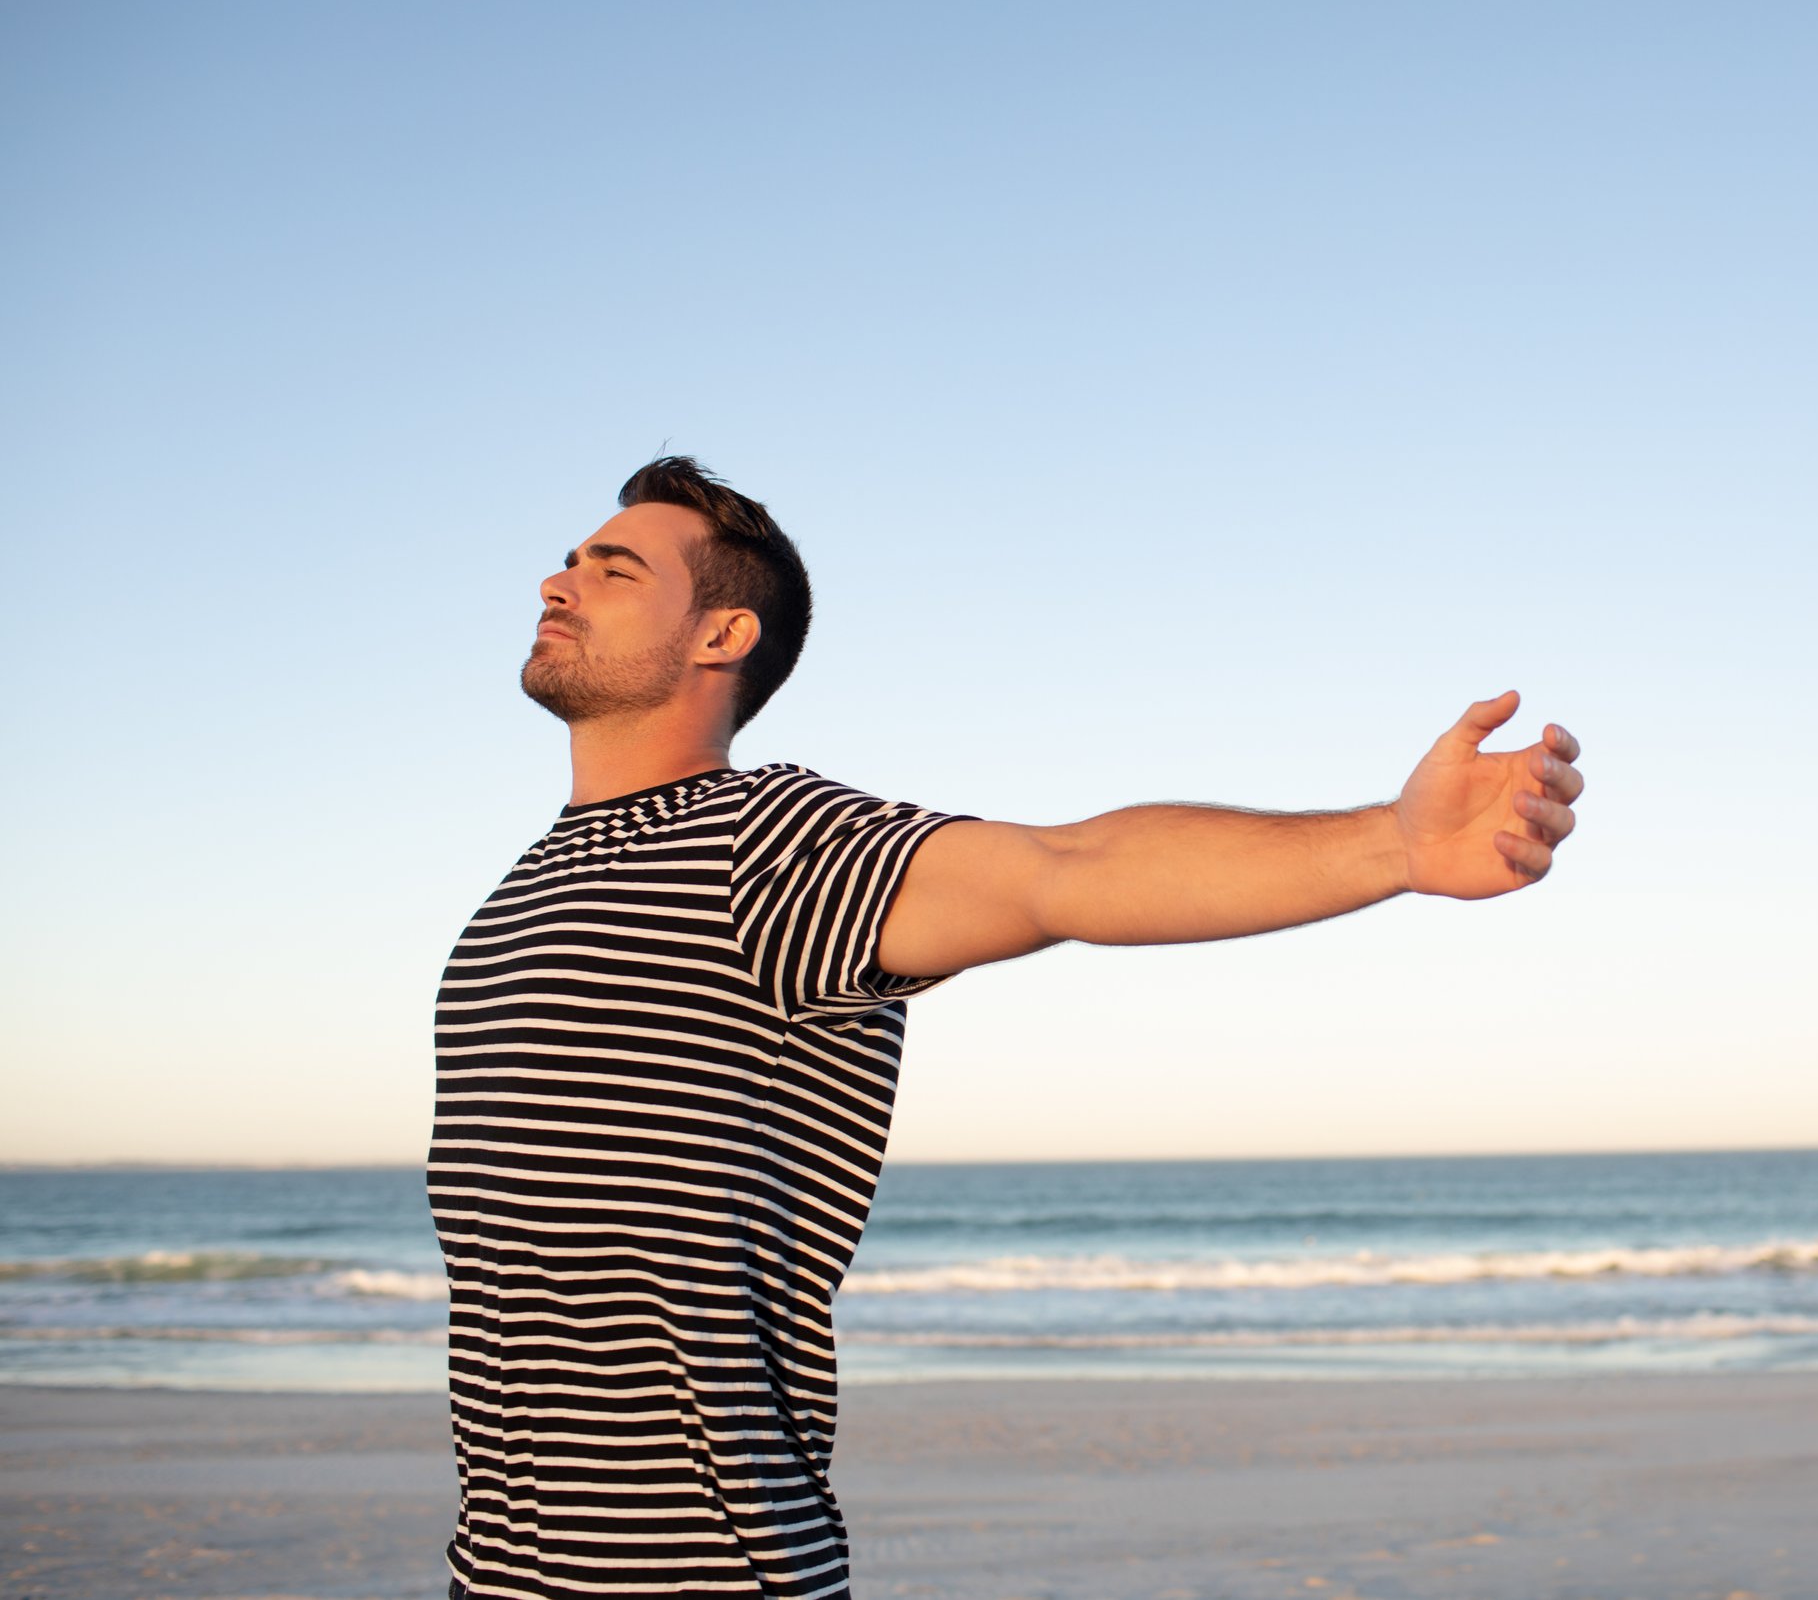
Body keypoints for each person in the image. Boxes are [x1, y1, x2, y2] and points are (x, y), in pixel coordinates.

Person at [430, 456, 1586, 1599]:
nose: (557, 580)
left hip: (697, 1574)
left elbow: (1062, 869)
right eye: (571, 557)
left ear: (720, 634)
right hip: (500, 1568)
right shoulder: (528, 881)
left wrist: (1388, 843)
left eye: (613, 567)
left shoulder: (762, 843)